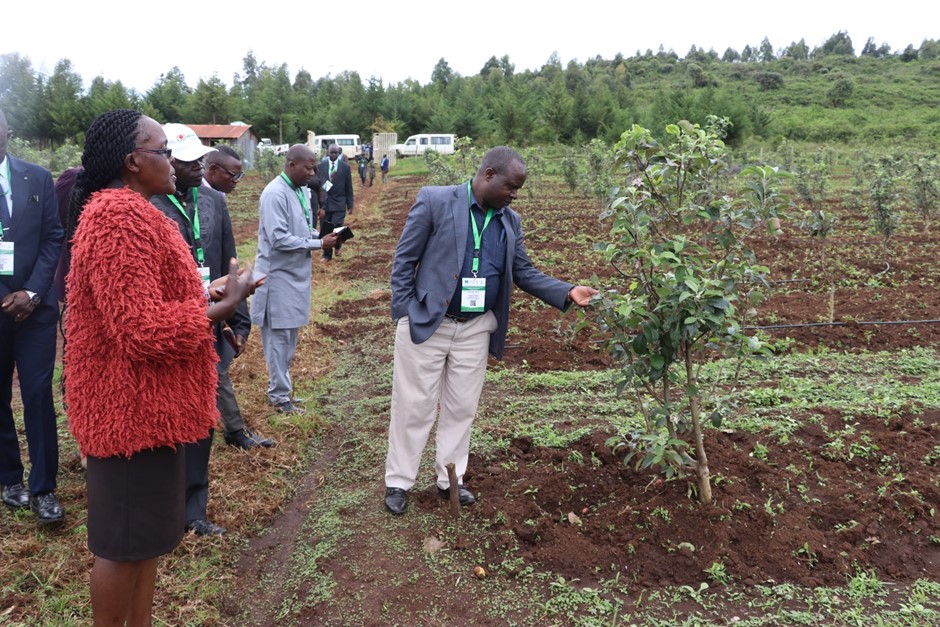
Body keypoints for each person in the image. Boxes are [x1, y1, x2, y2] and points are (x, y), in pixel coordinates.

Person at [64, 109, 253, 625]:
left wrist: (207, 292)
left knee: (144, 544)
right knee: (122, 548)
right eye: (163, 151)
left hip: (153, 413)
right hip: (128, 414)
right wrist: (219, 307)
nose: (174, 161)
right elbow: (141, 330)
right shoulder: (117, 217)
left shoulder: (141, 212)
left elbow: (148, 300)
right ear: (132, 162)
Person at [383, 146, 598, 515]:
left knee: (461, 407)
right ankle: (399, 482)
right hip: (429, 323)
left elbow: (524, 272)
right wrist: (405, 312)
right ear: (488, 175)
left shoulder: (508, 221)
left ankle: (450, 479)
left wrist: (566, 291)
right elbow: (405, 259)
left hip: (475, 328)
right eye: (511, 187)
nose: (514, 195)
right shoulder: (435, 201)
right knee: (414, 406)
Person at [0, 109, 65, 524]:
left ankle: (44, 489)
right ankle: (9, 479)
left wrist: (32, 292)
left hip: (36, 311)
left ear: (8, 129)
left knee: (38, 396)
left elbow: (53, 236)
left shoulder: (37, 177)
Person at [199, 143, 276, 451]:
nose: (237, 180)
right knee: (212, 368)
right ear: (213, 170)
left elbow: (227, 258)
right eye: (233, 174)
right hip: (189, 301)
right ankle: (232, 430)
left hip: (211, 297)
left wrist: (239, 320)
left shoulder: (214, 200)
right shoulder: (166, 197)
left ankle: (231, 429)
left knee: (214, 366)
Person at [252, 144, 339, 414]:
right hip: (277, 278)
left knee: (289, 339)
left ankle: (283, 391)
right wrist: (317, 244)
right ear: (291, 165)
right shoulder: (274, 194)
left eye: (314, 167)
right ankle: (279, 397)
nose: (313, 173)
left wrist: (323, 237)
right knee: (278, 341)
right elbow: (278, 238)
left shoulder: (299, 191)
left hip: (294, 277)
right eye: (309, 167)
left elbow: (300, 228)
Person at [318, 143, 354, 261]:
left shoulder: (345, 167)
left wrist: (350, 204)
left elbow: (349, 187)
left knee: (337, 225)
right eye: (331, 152)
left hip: (339, 202)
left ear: (339, 154)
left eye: (336, 153)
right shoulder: (321, 166)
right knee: (325, 229)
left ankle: (338, 244)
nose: (333, 155)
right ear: (327, 153)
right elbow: (318, 185)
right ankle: (327, 255)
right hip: (325, 203)